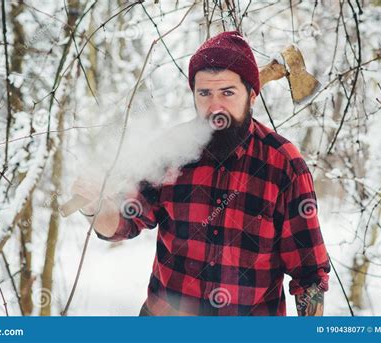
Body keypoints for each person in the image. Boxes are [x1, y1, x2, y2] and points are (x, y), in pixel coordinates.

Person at [72, 31, 330, 316]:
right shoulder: (171, 152)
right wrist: (94, 206)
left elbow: (309, 275)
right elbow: (122, 224)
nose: (215, 106)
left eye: (228, 93)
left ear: (252, 95)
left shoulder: (284, 165)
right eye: (204, 93)